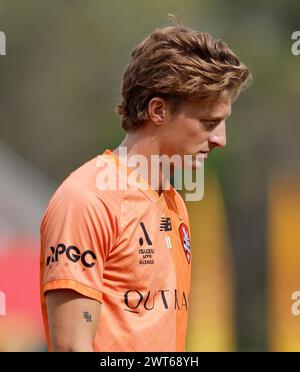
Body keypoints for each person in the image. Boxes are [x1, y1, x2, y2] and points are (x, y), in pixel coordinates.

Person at [40, 20, 251, 352]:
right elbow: (71, 347)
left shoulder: (173, 203)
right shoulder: (86, 198)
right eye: (209, 123)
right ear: (158, 110)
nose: (221, 140)